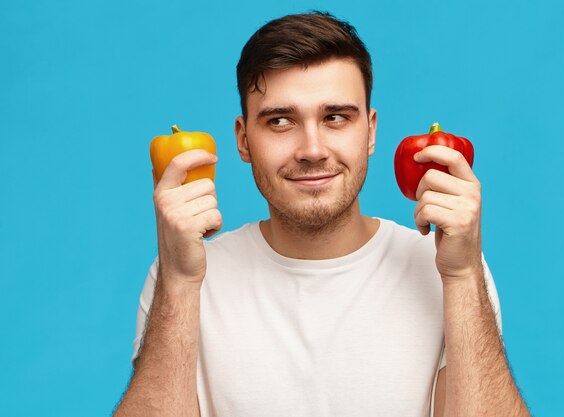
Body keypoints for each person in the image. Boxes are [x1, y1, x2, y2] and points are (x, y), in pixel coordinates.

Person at [113, 11, 531, 417]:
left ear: (370, 131)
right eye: (280, 121)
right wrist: (182, 282)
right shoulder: (187, 276)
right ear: (243, 140)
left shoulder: (445, 269)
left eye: (335, 118)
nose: (312, 149)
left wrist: (461, 277)